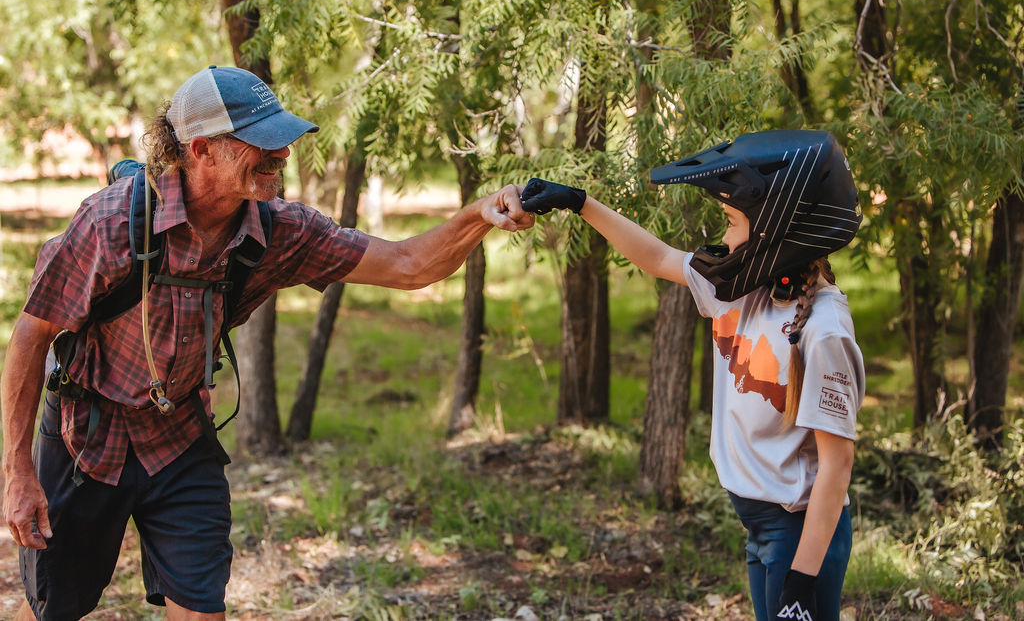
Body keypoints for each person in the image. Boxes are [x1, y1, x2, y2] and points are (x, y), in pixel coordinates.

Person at [1, 65, 535, 620]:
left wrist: (479, 214)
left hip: (180, 438)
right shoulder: (112, 222)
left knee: (202, 608)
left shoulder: (282, 231)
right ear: (202, 148)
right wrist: (17, 471)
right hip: (87, 437)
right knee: (53, 609)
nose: (281, 152)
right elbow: (31, 334)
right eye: (261, 140)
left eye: (283, 137)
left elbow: (408, 265)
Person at [520, 130, 865, 621]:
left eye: (730, 222)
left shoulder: (823, 330)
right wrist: (579, 203)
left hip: (800, 532)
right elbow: (659, 258)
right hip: (758, 523)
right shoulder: (741, 285)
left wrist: (802, 581)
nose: (723, 237)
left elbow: (837, 466)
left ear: (776, 231)